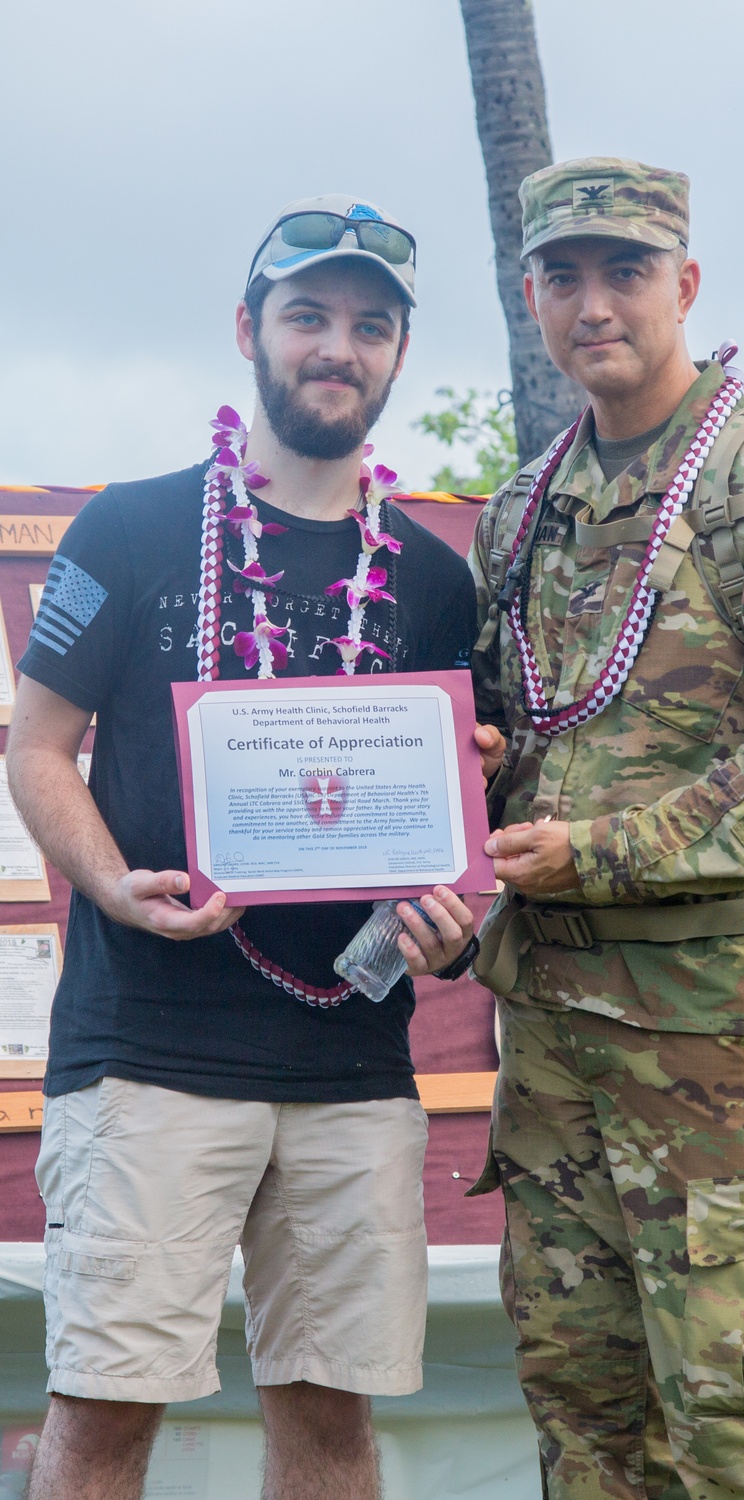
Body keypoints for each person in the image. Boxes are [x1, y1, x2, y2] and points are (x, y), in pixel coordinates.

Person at [7, 193, 481, 1500]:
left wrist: (453, 923)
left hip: (349, 1060)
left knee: (331, 1426)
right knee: (102, 1420)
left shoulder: (438, 584)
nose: (339, 346)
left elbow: (457, 818)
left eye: (371, 326)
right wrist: (109, 881)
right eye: (309, 316)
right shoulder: (130, 530)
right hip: (149, 1049)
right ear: (249, 331)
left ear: (396, 356)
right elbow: (37, 746)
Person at [469, 158, 744, 1500]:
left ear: (687, 284)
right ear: (532, 296)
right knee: (587, 1425)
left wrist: (598, 851)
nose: (594, 304)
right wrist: (473, 779)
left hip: (721, 1043)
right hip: (553, 1046)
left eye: (627, 271)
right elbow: (532, 730)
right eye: (564, 277)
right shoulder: (522, 511)